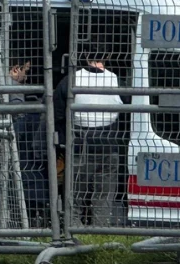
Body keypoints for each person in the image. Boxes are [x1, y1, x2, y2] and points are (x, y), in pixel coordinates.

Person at [54, 50, 127, 227]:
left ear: (86, 56)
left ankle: (73, 234)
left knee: (75, 198)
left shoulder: (71, 80)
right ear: (108, 56)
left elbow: (57, 114)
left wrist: (63, 141)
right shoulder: (117, 81)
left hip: (79, 146)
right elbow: (128, 114)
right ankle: (99, 236)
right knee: (103, 198)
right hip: (109, 146)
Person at [7, 61, 49, 228]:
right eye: (26, 70)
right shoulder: (14, 89)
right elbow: (18, 121)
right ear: (16, 69)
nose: (27, 75)